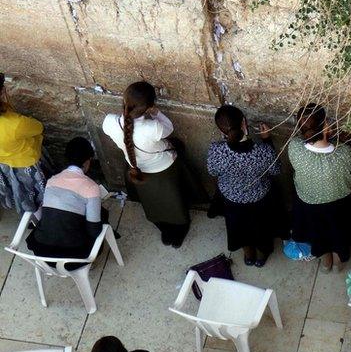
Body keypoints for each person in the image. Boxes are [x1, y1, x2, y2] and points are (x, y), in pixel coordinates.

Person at [101, 81, 194, 247]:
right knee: (174, 201)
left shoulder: (109, 122)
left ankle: (165, 232)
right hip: (163, 169)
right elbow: (169, 128)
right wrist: (156, 112)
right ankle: (178, 233)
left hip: (136, 169)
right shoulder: (153, 127)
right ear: (149, 106)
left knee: (152, 203)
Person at [287, 103, 351, 270]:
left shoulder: (294, 147)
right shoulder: (343, 154)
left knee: (319, 237)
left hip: (308, 207)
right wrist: (343, 143)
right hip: (339, 206)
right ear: (326, 126)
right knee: (339, 236)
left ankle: (326, 264)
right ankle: (338, 263)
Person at [207, 105, 286, 267]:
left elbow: (212, 171)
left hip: (231, 199)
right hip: (260, 199)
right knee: (262, 229)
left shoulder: (216, 150)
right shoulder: (262, 151)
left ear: (221, 131)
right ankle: (262, 257)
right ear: (244, 123)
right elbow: (276, 170)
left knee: (240, 229)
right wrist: (267, 140)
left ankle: (248, 256)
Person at [25, 137, 108, 269]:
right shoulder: (91, 187)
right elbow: (94, 231)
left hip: (42, 253)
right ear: (87, 161)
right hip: (72, 258)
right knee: (102, 216)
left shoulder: (52, 181)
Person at [0, 72, 51, 213]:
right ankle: (40, 215)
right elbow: (38, 127)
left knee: (19, 192)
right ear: (2, 92)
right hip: (25, 164)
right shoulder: (15, 124)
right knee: (36, 194)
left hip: (4, 165)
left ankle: (28, 216)